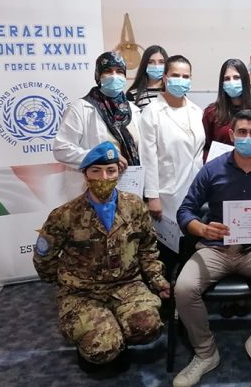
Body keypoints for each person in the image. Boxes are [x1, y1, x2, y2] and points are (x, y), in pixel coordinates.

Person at [33, 141, 169, 373]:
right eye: (96, 171)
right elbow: (44, 259)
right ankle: (104, 336)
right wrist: (67, 285)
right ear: (85, 175)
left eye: (110, 171)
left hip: (127, 285)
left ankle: (117, 328)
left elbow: (147, 248)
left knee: (148, 326)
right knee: (102, 348)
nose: (103, 177)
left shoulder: (134, 206)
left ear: (118, 173)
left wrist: (158, 281)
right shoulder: (65, 215)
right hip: (82, 292)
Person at [174, 109, 251, 387]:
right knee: (184, 288)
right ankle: (205, 353)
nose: (248, 137)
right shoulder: (212, 169)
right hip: (215, 248)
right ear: (232, 135)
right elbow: (185, 210)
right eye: (242, 132)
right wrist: (202, 229)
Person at [139, 55, 205, 274]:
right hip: (166, 194)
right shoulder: (152, 112)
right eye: (176, 75)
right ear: (165, 78)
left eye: (186, 76)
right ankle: (166, 293)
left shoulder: (196, 111)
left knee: (190, 248)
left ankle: (186, 291)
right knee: (167, 252)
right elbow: (147, 156)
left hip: (194, 190)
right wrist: (152, 196)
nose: (181, 80)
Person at [54, 51, 141, 173]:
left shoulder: (134, 111)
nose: (114, 76)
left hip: (131, 179)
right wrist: (102, 155)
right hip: (96, 180)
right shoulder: (80, 109)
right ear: (98, 75)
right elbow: (62, 150)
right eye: (108, 71)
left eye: (119, 71)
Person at [202, 59, 251, 160]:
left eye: (236, 77)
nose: (232, 82)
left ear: (245, 80)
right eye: (227, 79)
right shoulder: (211, 112)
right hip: (219, 167)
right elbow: (205, 147)